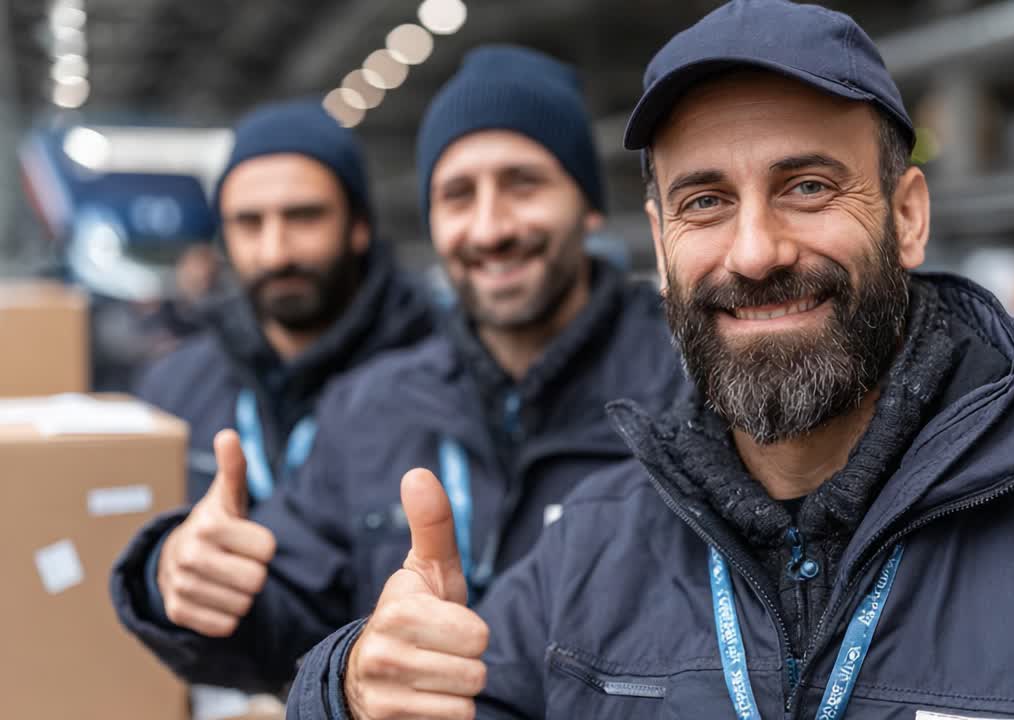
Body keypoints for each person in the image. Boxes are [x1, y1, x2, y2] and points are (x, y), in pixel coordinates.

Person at [291, 3, 1014, 719]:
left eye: (806, 186)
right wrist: (352, 685)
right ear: (658, 238)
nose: (755, 252)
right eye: (704, 201)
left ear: (905, 217)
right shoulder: (590, 549)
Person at [110, 46, 685, 697]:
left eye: (523, 183)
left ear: (587, 204)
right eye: (458, 195)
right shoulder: (374, 404)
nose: (490, 228)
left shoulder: (687, 387)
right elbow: (287, 611)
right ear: (432, 221)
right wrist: (171, 578)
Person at [130, 98, 434, 503]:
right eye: (249, 223)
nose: (276, 254)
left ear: (359, 226)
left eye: (304, 217)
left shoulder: (441, 382)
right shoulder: (173, 391)